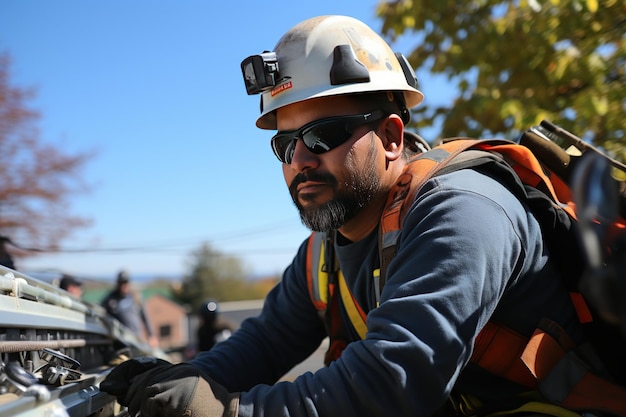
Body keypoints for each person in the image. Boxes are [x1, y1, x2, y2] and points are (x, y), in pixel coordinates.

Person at [101, 15, 625, 417]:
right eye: (285, 145)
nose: (301, 160)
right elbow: (264, 343)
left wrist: (229, 410)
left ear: (393, 137)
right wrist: (178, 380)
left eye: (323, 136)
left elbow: (395, 379)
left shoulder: (462, 208)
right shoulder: (322, 255)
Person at [101, 270, 158, 347]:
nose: (123, 285)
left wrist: (151, 335)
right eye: (121, 283)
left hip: (136, 338)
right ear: (117, 284)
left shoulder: (135, 297)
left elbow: (145, 317)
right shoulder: (111, 300)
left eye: (125, 282)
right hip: (120, 340)